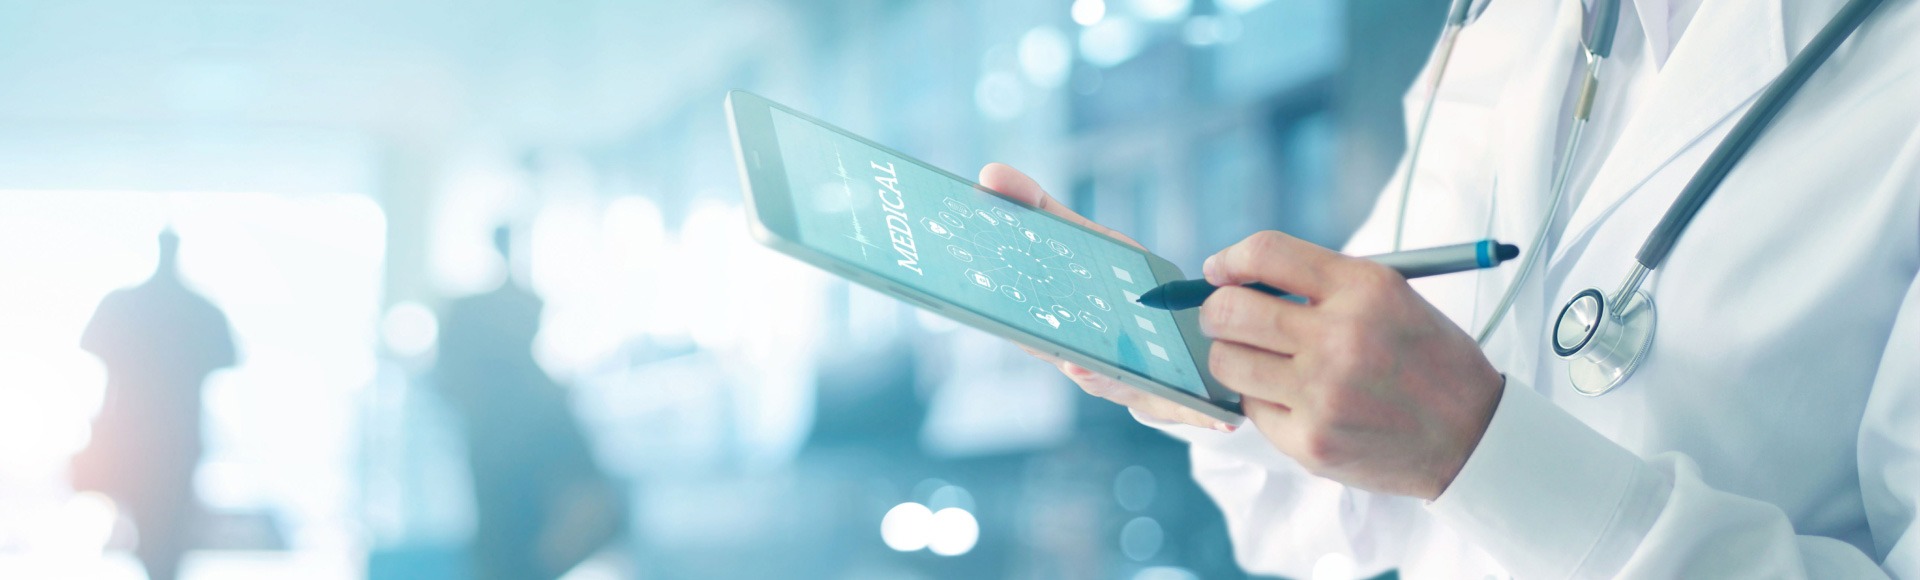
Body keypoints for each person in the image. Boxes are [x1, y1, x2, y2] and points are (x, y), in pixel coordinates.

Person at [982, 0, 1920, 576]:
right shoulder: (1511, 23)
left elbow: (1443, 445)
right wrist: (1204, 363)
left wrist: (1481, 449)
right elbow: (1314, 526)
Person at [435, 225, 623, 580]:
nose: (441, 369)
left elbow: (594, 507)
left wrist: (532, 569)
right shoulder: (489, 420)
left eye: (450, 351)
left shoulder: (532, 414)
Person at [73, 228, 238, 580]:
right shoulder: (194, 310)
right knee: (156, 522)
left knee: (163, 524)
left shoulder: (132, 306)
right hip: (155, 435)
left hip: (155, 435)